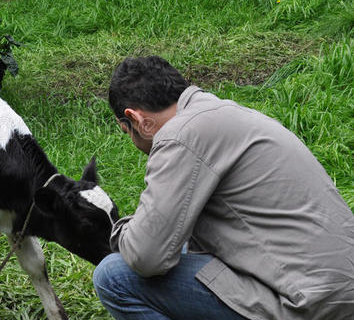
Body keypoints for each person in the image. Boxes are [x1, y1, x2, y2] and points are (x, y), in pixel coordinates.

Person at [93, 56, 354, 320]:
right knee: (177, 246)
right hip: (337, 291)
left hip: (307, 304)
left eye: (126, 131)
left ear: (136, 119)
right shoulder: (223, 114)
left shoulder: (180, 135)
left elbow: (146, 257)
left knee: (114, 276)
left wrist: (123, 230)